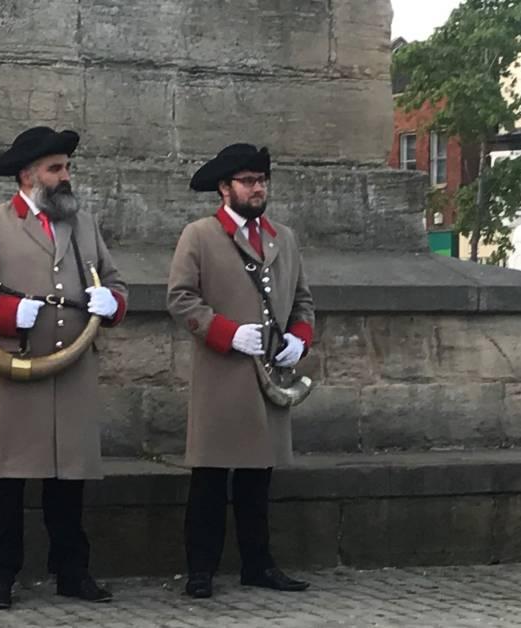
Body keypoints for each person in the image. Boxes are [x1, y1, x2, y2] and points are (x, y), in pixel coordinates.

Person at [0, 126, 128, 609]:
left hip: (72, 366)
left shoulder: (83, 223)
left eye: (67, 167)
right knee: (7, 480)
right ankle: (0, 576)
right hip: (16, 365)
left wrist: (109, 302)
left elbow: (114, 280)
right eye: (56, 169)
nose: (65, 176)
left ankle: (72, 571)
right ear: (27, 175)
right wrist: (7, 315)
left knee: (68, 478)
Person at [166, 143, 316, 599]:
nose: (257, 188)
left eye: (261, 180)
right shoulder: (200, 235)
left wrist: (299, 337)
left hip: (269, 375)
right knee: (210, 477)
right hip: (222, 374)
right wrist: (226, 332)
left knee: (258, 476)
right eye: (248, 181)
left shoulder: (282, 238)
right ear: (224, 188)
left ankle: (258, 564)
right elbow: (180, 298)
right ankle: (201, 570)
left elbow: (303, 299)